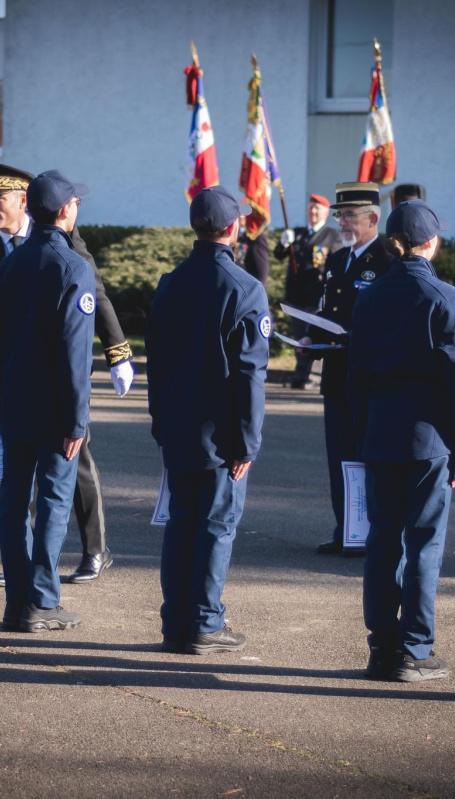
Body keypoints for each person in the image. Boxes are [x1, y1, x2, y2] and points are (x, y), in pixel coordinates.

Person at [0, 162, 132, 585]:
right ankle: (26, 560)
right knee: (20, 465)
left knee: (75, 455)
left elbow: (94, 293)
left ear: (23, 201)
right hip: (11, 372)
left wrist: (117, 351)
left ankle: (95, 549)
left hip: (56, 369)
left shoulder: (61, 237)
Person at [346, 200, 455, 683]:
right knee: (423, 544)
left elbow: (355, 377)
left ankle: (381, 646)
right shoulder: (445, 298)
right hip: (428, 441)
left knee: (382, 542)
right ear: (433, 243)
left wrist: (360, 434)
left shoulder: (371, 296)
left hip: (380, 434)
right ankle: (415, 649)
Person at [146, 185, 269, 655]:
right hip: (220, 432)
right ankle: (205, 622)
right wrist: (247, 443)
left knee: (182, 522)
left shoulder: (171, 282)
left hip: (178, 426)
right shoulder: (245, 289)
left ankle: (176, 620)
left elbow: (155, 360)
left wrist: (160, 420)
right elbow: (248, 375)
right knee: (216, 524)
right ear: (234, 228)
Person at [0, 170, 95, 632]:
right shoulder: (72, 267)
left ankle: (17, 601)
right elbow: (74, 353)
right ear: (66, 210)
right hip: (53, 410)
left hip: (14, 405)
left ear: (30, 208)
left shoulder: (10, 263)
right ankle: (42, 602)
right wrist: (77, 420)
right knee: (52, 500)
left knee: (13, 504)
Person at [300, 182, 386, 556]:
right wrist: (308, 338)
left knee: (370, 456)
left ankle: (374, 534)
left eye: (350, 215)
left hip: (369, 377)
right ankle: (346, 529)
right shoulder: (338, 259)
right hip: (336, 375)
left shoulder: (388, 261)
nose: (343, 222)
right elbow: (327, 311)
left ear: (373, 218)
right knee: (339, 456)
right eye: (341, 216)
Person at [274, 193, 340, 389]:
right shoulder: (299, 233)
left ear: (325, 212)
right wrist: (284, 243)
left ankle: (310, 375)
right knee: (298, 336)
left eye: (317, 208)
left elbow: (333, 264)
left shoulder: (332, 236)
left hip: (316, 294)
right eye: (311, 207)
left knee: (312, 335)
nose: (313, 211)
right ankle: (301, 374)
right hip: (296, 295)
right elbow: (279, 255)